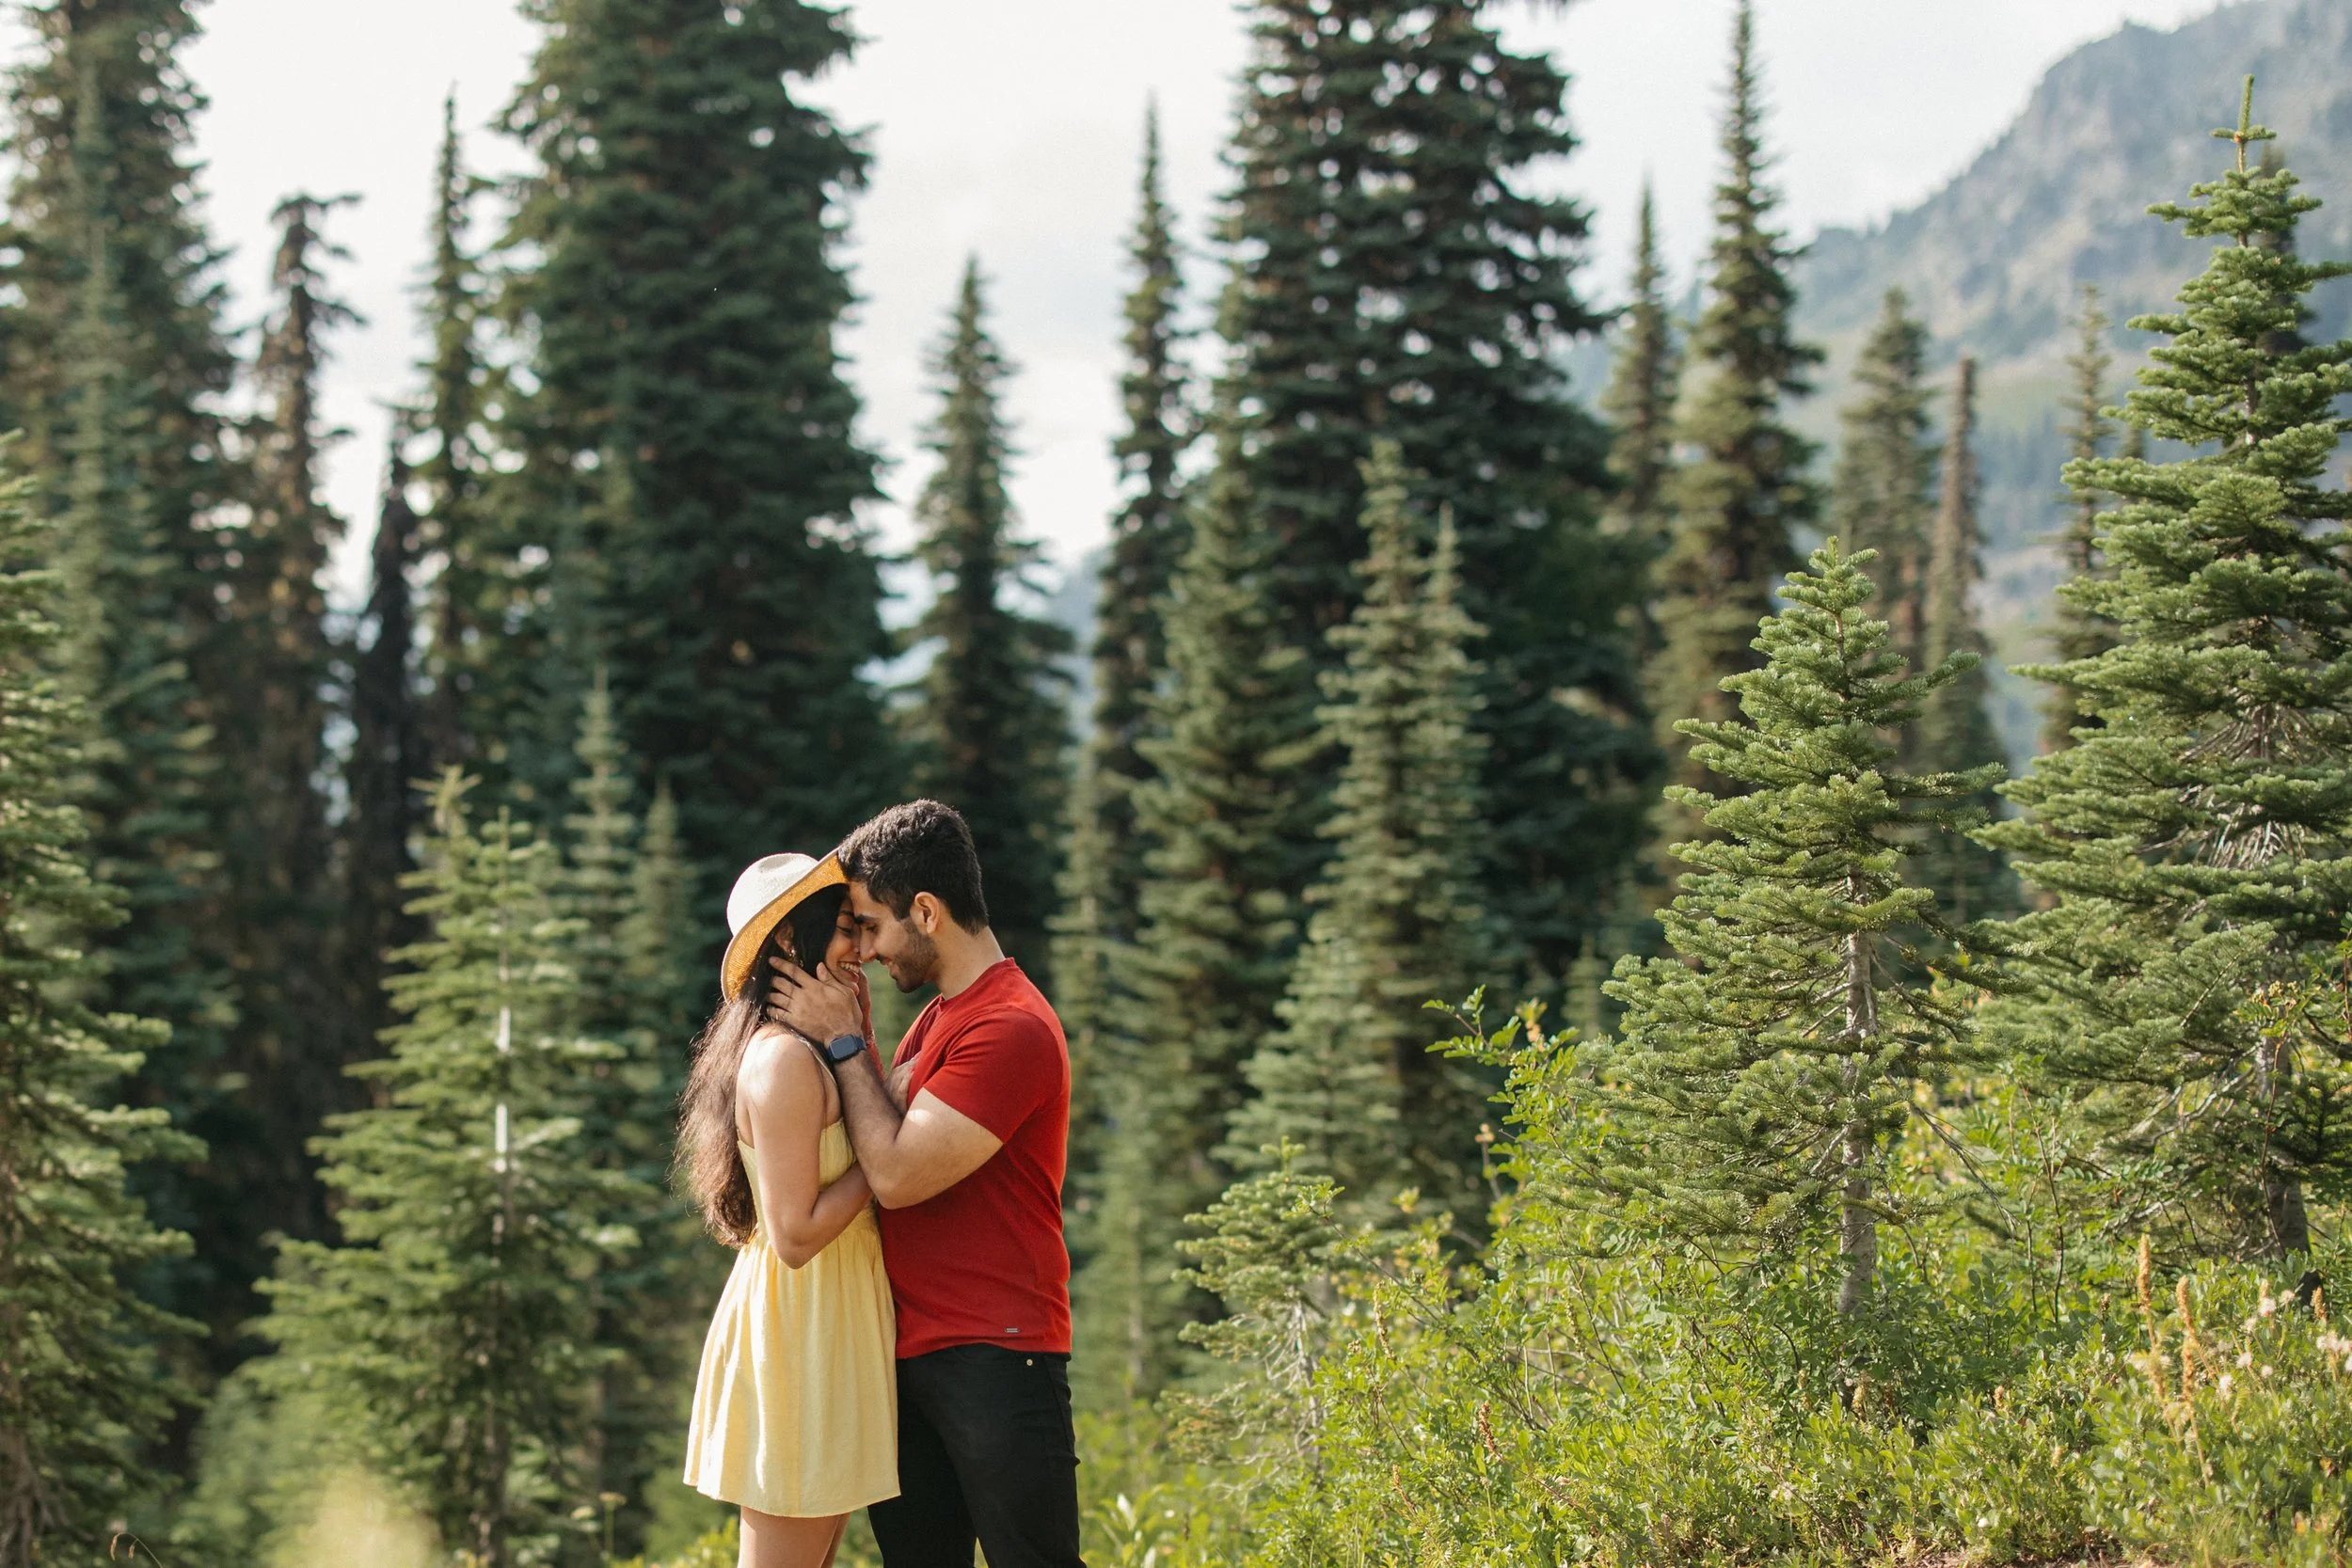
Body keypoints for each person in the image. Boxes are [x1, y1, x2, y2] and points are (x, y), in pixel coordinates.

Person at [766, 800, 1084, 1568]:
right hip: (911, 1354)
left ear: (927, 911)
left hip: (999, 1352)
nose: (866, 950)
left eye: (871, 924)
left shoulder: (1010, 1026)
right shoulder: (938, 1019)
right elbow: (886, 1126)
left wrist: (846, 1041)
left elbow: (899, 1173)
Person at [679, 851, 899, 1568]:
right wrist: (888, 1154)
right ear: (784, 941)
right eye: (842, 929)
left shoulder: (816, 1055)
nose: (860, 949)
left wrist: (855, 1043)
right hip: (799, 1338)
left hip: (826, 1329)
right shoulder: (781, 1065)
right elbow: (795, 1232)